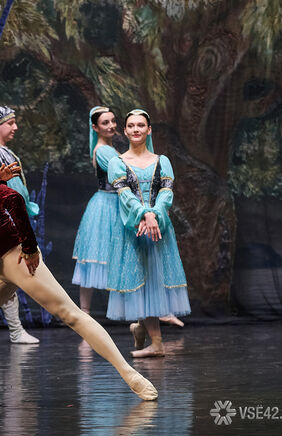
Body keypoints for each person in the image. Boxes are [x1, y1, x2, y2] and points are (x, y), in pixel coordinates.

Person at [0, 143, 158, 403]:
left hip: (16, 259)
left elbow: (14, 200)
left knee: (71, 315)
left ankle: (130, 375)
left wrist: (29, 247)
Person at [106, 109, 190, 358]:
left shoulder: (162, 161)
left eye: (141, 125)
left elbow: (166, 193)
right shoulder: (117, 163)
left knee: (153, 282)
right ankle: (144, 330)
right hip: (133, 227)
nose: (136, 129)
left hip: (157, 228)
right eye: (131, 125)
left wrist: (155, 215)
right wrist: (144, 214)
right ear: (125, 130)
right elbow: (125, 195)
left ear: (149, 129)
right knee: (140, 280)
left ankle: (155, 342)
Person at [0, 106, 39, 344]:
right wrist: (22, 211)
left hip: (5, 217)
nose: (15, 127)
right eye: (10, 123)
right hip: (6, 218)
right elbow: (12, 190)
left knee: (6, 276)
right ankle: (14, 329)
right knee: (13, 274)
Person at [72, 106, 120, 316]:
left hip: (114, 202)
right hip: (106, 205)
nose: (111, 126)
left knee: (108, 254)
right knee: (94, 254)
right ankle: (85, 312)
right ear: (95, 127)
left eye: (113, 121)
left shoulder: (109, 148)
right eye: (105, 123)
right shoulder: (102, 150)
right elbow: (124, 174)